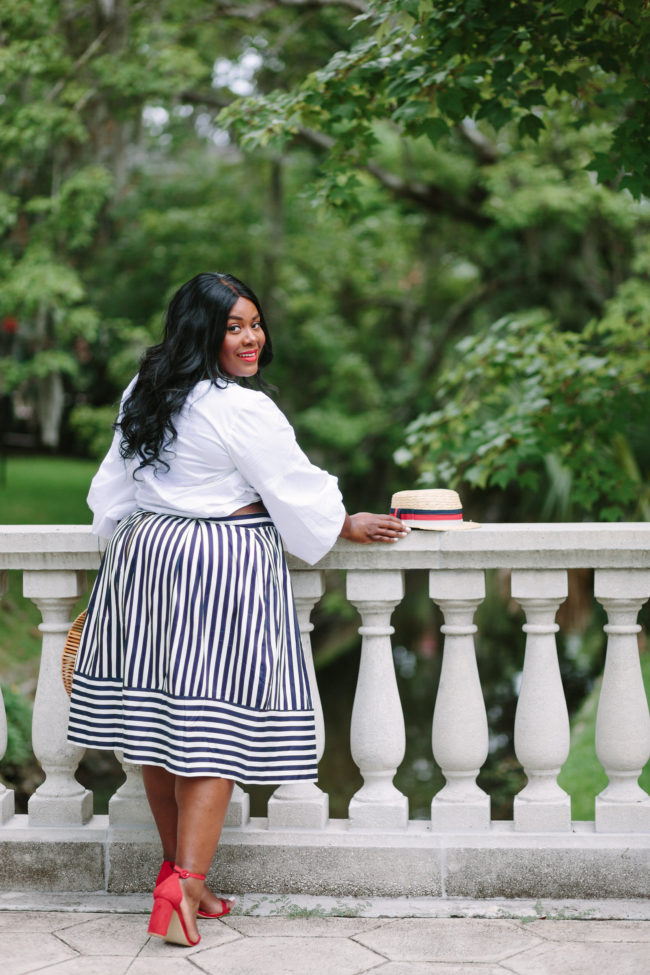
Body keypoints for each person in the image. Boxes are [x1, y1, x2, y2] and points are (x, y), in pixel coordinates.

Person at [67, 271, 408, 947]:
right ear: (204, 332)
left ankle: (183, 878)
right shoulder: (243, 409)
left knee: (164, 730)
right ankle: (182, 886)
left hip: (145, 560)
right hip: (219, 566)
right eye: (234, 326)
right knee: (211, 730)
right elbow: (294, 490)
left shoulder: (147, 391)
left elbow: (111, 489)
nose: (252, 337)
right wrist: (346, 521)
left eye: (255, 322)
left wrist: (141, 542)